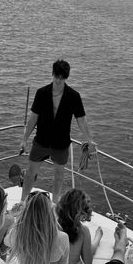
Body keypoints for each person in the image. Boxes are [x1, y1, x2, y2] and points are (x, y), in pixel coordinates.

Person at [20, 59, 96, 203]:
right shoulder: (41, 93)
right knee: (30, 173)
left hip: (61, 144)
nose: (59, 80)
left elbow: (81, 120)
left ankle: (55, 205)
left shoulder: (74, 96)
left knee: (59, 175)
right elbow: (33, 118)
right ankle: (23, 203)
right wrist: (24, 139)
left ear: (66, 77)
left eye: (62, 77)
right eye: (57, 76)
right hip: (41, 140)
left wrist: (90, 141)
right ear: (53, 74)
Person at [56, 188, 103, 264]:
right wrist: (97, 238)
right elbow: (88, 262)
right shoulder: (83, 231)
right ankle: (98, 238)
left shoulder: (53, 226)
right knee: (88, 255)